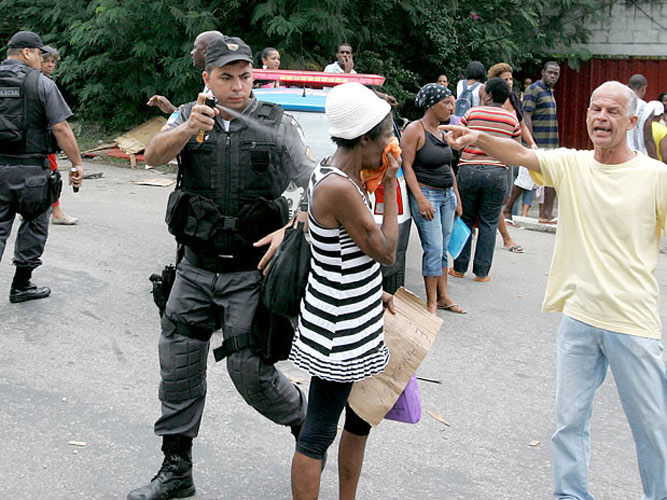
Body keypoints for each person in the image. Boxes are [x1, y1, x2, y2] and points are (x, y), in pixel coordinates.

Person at [444, 80, 667, 500]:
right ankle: (570, 495)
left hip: (632, 321)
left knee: (653, 427)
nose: (601, 118)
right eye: (595, 109)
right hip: (579, 316)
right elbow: (522, 154)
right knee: (569, 423)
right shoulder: (574, 164)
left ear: (632, 120)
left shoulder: (656, 177)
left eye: (612, 112)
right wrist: (477, 137)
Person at [127, 35, 316, 500]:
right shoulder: (187, 119)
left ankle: (305, 427)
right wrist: (188, 127)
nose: (237, 87)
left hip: (251, 275)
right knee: (179, 369)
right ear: (206, 78)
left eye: (245, 76)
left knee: (250, 373)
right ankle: (176, 471)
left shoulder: (276, 121)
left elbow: (313, 178)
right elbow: (151, 156)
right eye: (226, 77)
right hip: (194, 269)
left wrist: (299, 219)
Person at [289, 82, 397, 500]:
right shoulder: (338, 186)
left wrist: (374, 295)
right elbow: (386, 252)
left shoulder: (343, 172)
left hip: (356, 313)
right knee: (317, 431)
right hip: (339, 326)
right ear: (365, 138)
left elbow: (352, 256)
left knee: (358, 422)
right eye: (386, 133)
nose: (391, 141)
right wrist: (392, 182)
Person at [0, 31, 83, 303]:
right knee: (35, 225)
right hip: (32, 171)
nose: (41, 59)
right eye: (38, 54)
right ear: (27, 53)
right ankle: (21, 286)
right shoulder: (41, 83)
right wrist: (76, 163)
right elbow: (60, 127)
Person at [447, 78, 520, 282]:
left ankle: (459, 268)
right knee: (489, 222)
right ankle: (482, 273)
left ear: (488, 95)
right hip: (497, 174)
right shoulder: (511, 120)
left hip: (469, 171)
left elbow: (457, 138)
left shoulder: (472, 113)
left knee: (466, 219)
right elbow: (516, 149)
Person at [400, 83, 465, 314]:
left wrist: (456, 196)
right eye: (446, 103)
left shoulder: (442, 132)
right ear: (431, 104)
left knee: (444, 248)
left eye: (452, 104)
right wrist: (420, 198)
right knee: (434, 248)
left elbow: (449, 166)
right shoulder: (414, 130)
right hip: (427, 194)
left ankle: (444, 296)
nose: (451, 108)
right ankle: (431, 303)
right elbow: (406, 166)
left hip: (446, 195)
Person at [487, 62, 538, 253]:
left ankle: (483, 225)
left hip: (511, 153)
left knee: (506, 197)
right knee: (498, 198)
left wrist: (531, 143)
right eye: (505, 79)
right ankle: (506, 238)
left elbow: (521, 124)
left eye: (510, 79)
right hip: (493, 154)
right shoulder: (488, 99)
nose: (509, 82)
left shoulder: (514, 99)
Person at [40, 46, 78, 226]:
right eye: (46, 61)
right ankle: (56, 212)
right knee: (52, 175)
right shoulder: (41, 83)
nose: (49, 65)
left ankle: (28, 209)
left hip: (43, 137)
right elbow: (60, 123)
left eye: (52, 62)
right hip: (42, 138)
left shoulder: (45, 81)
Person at [146, 30, 223, 115]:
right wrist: (172, 110)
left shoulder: (220, 85)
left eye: (195, 48)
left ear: (206, 53)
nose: (191, 52)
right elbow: (199, 119)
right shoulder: (212, 80)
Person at [522, 61, 560, 224]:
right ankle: (508, 210)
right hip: (537, 143)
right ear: (542, 72)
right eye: (550, 72)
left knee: (552, 177)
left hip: (551, 144)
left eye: (556, 73)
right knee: (525, 180)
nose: (553, 76)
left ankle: (546, 215)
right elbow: (526, 115)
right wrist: (531, 141)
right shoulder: (534, 89)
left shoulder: (549, 92)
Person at [626, 74, 650, 154]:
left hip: (621, 153)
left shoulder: (620, 103)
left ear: (628, 86)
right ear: (643, 89)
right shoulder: (647, 107)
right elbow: (648, 137)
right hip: (640, 154)